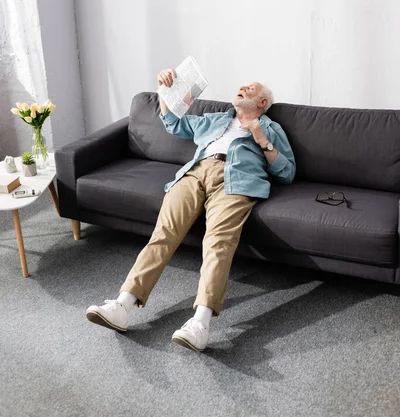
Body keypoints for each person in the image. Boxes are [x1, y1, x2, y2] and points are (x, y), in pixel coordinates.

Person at [86, 69, 296, 351]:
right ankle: (122, 305)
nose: (242, 87)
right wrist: (164, 92)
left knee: (218, 243)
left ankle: (201, 323)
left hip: (235, 181)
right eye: (242, 84)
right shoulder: (216, 119)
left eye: (251, 87)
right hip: (194, 174)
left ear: (262, 103)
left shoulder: (270, 128)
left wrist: (262, 139)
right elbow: (173, 124)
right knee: (164, 233)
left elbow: (287, 172)